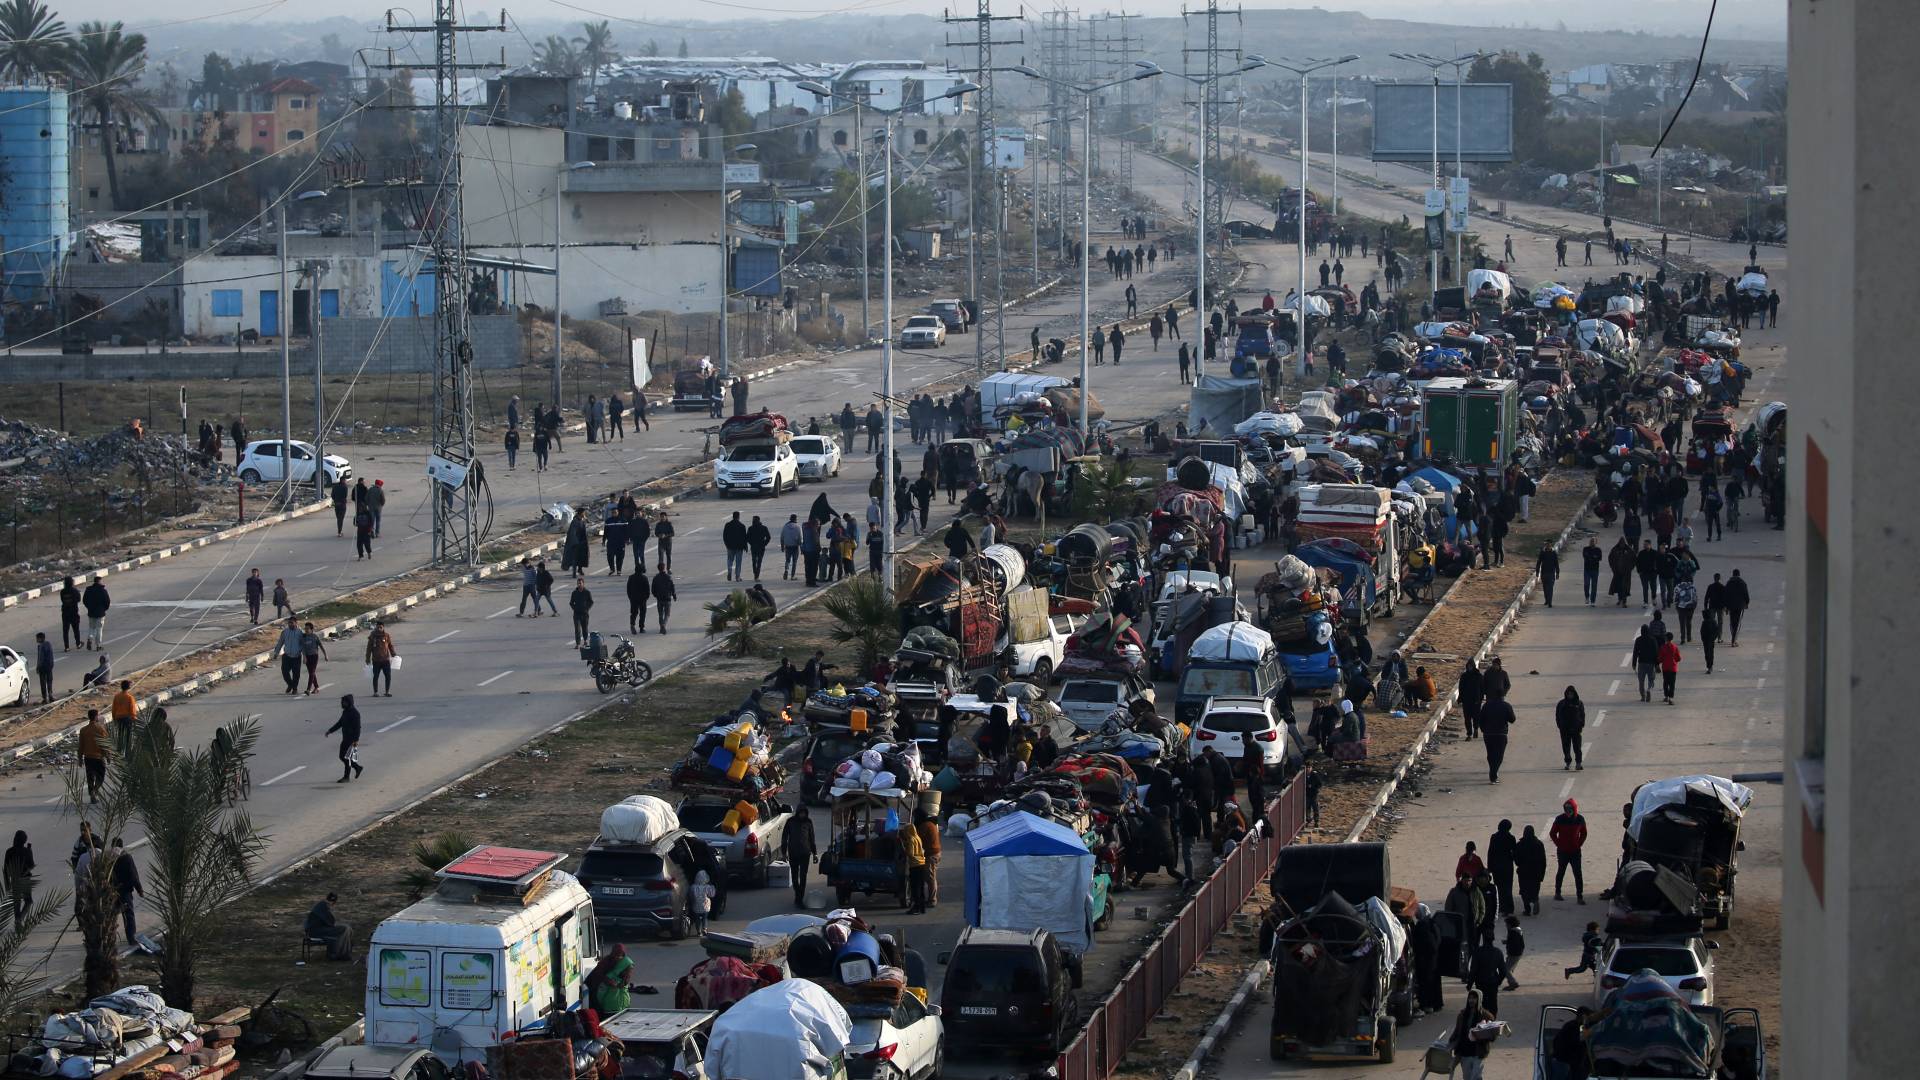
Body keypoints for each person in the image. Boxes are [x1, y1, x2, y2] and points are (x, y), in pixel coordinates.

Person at [1550, 799, 1587, 903]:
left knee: (1578, 873)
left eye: (1570, 809)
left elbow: (1584, 833)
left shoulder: (1580, 819)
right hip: (1563, 851)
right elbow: (1552, 833)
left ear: (1574, 809)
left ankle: (1580, 896)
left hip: (1575, 851)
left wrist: (1579, 844)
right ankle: (1557, 893)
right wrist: (1559, 844)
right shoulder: (1560, 819)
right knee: (1561, 871)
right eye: (1566, 809)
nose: (1568, 811)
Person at [1479, 688, 1515, 784]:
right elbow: (1512, 719)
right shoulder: (1506, 706)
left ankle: (1493, 771)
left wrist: (1483, 730)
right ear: (1503, 696)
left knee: (1490, 754)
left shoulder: (1486, 705)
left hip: (1488, 734)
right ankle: (1493, 774)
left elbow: (1481, 719)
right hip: (1501, 734)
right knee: (1499, 755)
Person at [110, 837, 143, 942]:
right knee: (128, 914)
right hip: (125, 891)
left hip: (111, 891)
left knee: (111, 916)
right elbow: (133, 875)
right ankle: (131, 938)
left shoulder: (108, 857)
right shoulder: (126, 857)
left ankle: (110, 939)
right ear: (121, 846)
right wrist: (139, 889)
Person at [326, 694, 363, 782]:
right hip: (345, 738)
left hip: (351, 739)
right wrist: (330, 731)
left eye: (344, 702)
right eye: (342, 702)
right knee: (342, 757)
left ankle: (347, 777)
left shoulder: (355, 713)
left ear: (349, 702)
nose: (342, 703)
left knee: (345, 757)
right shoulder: (345, 712)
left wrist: (356, 740)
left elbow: (358, 728)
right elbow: (340, 723)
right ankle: (357, 767)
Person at [782, 811, 816, 908]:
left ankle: (799, 899)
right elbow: (784, 837)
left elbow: (812, 838)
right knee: (795, 877)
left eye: (804, 813)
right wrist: (784, 853)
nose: (802, 815)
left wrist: (815, 853)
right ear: (797, 813)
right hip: (793, 853)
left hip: (805, 853)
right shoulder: (790, 821)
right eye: (801, 813)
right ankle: (798, 894)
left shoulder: (808, 822)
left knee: (803, 876)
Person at [304, 892, 352, 961]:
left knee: (347, 928)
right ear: (333, 902)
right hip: (316, 932)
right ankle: (339, 954)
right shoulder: (324, 906)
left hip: (318, 929)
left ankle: (342, 953)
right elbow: (331, 922)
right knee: (345, 928)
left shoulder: (321, 905)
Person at [3, 831, 33, 932]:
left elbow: (6, 869)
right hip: (25, 879)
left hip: (14, 880)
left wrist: (7, 883)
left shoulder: (9, 851)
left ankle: (18, 922)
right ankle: (20, 919)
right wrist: (29, 851)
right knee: (28, 901)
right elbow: (31, 865)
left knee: (17, 902)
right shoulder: (27, 851)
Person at [1515, 825, 1548, 916]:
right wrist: (1542, 874)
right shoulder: (1539, 844)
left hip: (1523, 872)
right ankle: (1535, 900)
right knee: (1534, 889)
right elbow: (1543, 860)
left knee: (1524, 890)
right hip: (1536, 872)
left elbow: (1517, 860)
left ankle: (1527, 909)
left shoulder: (1519, 845)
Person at [1488, 820, 1518, 916]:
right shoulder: (1511, 838)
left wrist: (1489, 867)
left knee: (1499, 887)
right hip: (1507, 866)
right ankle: (1509, 908)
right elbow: (1515, 853)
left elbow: (1490, 852)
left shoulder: (1494, 837)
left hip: (1496, 866)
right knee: (1508, 887)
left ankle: (1501, 906)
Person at [79, 710, 108, 802]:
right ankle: (94, 791)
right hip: (98, 757)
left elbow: (81, 745)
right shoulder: (100, 729)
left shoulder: (83, 730)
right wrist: (108, 756)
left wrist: (80, 758)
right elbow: (104, 744)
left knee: (90, 777)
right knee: (101, 776)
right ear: (96, 717)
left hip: (88, 757)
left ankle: (92, 794)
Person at [1555, 686, 1586, 770]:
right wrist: (1560, 726)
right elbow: (1557, 715)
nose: (1570, 695)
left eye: (1571, 694)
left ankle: (1578, 763)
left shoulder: (1579, 703)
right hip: (1564, 729)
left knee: (1577, 747)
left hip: (1576, 729)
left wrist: (1581, 725)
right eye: (1568, 694)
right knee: (1566, 747)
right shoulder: (1561, 704)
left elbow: (1582, 715)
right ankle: (1568, 762)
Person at [366, 620, 397, 697]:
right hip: (376, 660)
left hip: (385, 660)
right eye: (378, 627)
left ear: (383, 627)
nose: (379, 629)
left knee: (388, 676)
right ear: (376, 627)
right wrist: (367, 658)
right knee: (375, 676)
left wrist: (393, 654)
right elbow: (369, 649)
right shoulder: (372, 636)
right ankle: (375, 692)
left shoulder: (386, 636)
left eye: (381, 627)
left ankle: (387, 691)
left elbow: (390, 645)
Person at [275, 617, 304, 695]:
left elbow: (303, 644)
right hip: (287, 655)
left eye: (292, 623)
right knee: (285, 672)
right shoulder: (285, 632)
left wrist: (304, 656)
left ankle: (295, 688)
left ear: (296, 623)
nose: (290, 624)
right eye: (289, 623)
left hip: (296, 656)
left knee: (296, 674)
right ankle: (290, 684)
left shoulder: (300, 632)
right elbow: (280, 642)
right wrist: (276, 652)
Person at [1632, 624, 1660, 703]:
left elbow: (1635, 653)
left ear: (1641, 631)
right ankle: (1649, 690)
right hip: (1651, 663)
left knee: (1641, 681)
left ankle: (1643, 696)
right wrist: (1657, 664)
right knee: (1651, 680)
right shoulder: (1653, 639)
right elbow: (1656, 653)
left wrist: (1634, 664)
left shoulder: (1638, 640)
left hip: (1641, 663)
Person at [1458, 658, 1485, 740]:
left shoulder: (1479, 676)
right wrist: (1460, 698)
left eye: (1471, 666)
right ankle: (1469, 734)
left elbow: (1482, 689)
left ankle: (1476, 729)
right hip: (1466, 701)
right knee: (1467, 718)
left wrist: (1480, 699)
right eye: (1468, 666)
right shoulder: (1464, 676)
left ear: (1473, 666)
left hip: (1476, 701)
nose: (1469, 668)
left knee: (1476, 717)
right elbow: (1461, 688)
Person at [81, 576, 110, 650]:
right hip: (100, 613)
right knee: (99, 629)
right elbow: (107, 601)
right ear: (99, 581)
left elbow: (84, 600)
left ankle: (90, 639)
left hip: (91, 612)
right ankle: (98, 645)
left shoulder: (88, 590)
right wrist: (104, 609)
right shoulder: (103, 590)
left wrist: (89, 607)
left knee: (92, 628)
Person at [301, 622, 328, 695]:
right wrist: (304, 657)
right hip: (307, 657)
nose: (306, 630)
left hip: (314, 656)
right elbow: (303, 648)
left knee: (312, 672)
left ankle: (308, 689)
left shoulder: (315, 637)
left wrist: (325, 655)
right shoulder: (303, 637)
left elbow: (321, 646)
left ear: (312, 629)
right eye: (305, 629)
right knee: (311, 673)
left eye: (308, 629)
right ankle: (316, 687)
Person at [1724, 568, 1750, 645]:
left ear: (1733, 574)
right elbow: (1746, 595)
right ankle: (1734, 640)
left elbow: (1725, 595)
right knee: (1737, 622)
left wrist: (1725, 605)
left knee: (1732, 621)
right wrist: (1747, 603)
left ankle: (1733, 637)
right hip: (1739, 605)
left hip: (1731, 605)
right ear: (1739, 574)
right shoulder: (1742, 583)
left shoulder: (1729, 583)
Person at [722, 511, 749, 582]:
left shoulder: (727, 525)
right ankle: (737, 576)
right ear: (738, 517)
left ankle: (729, 571)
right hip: (739, 547)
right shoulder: (742, 526)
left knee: (730, 560)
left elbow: (724, 536)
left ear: (733, 516)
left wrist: (726, 545)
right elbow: (744, 538)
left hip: (730, 546)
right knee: (738, 562)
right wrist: (745, 546)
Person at [569, 578, 594, 650]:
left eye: (580, 583)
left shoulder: (587, 592)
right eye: (578, 583)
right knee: (577, 629)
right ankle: (578, 643)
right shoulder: (574, 593)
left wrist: (587, 608)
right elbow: (571, 603)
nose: (579, 585)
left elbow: (591, 602)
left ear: (583, 583)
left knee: (585, 628)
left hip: (585, 614)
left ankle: (585, 640)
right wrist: (574, 608)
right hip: (576, 614)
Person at [651, 563, 676, 633]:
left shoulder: (656, 578)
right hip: (667, 598)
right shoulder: (668, 577)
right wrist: (674, 595)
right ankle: (663, 625)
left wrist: (655, 595)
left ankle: (661, 626)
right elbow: (672, 587)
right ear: (664, 568)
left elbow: (653, 589)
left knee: (660, 614)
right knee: (667, 614)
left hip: (659, 598)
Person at [1502, 914, 1525, 990]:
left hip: (1513, 954)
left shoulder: (1513, 932)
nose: (1506, 926)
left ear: (1510, 924)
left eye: (1506, 924)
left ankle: (1513, 983)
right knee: (1507, 969)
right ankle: (1511, 983)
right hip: (1517, 953)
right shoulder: (1518, 931)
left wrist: (1507, 942)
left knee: (1505, 969)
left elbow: (1514, 943)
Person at [745, 515, 772, 580]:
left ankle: (755, 573)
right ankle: (757, 575)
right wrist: (764, 544)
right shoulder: (764, 528)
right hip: (761, 547)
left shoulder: (750, 528)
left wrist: (751, 543)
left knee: (754, 561)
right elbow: (768, 537)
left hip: (754, 546)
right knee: (759, 561)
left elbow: (747, 538)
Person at [1658, 632, 1682, 704]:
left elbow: (1660, 659)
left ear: (1666, 638)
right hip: (1673, 668)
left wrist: (1659, 662)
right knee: (1672, 683)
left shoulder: (1663, 647)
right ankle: (1671, 698)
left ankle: (1666, 696)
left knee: (1665, 682)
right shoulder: (1675, 647)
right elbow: (1679, 658)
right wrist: (1674, 661)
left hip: (1665, 668)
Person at [59, 576, 81, 651]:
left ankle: (66, 647)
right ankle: (78, 644)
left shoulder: (62, 592)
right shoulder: (75, 591)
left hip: (65, 612)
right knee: (76, 629)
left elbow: (62, 600)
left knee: (65, 631)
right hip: (74, 612)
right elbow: (79, 599)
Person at [1699, 603, 1721, 674]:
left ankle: (1709, 666)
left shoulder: (1705, 622)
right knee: (1710, 653)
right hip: (1710, 641)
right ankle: (1710, 666)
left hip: (1707, 641)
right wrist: (1714, 638)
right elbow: (1717, 631)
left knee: (1707, 653)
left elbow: (1702, 632)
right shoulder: (1713, 622)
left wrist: (1703, 639)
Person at [1536, 542, 1560, 607]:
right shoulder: (1542, 553)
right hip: (1544, 573)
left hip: (1551, 573)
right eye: (1547, 545)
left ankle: (1550, 602)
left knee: (1550, 588)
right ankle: (1547, 600)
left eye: (1549, 545)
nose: (1548, 546)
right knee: (1545, 588)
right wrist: (1537, 572)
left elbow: (1556, 563)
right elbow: (1538, 563)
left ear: (1551, 546)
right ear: (1545, 546)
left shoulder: (1554, 553)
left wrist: (1557, 573)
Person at [1581, 538, 1603, 606]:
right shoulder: (1585, 549)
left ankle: (1593, 601)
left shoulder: (1598, 550)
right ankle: (1587, 597)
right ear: (1589, 542)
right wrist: (1594, 557)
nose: (1592, 542)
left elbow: (1600, 558)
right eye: (1591, 541)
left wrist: (1591, 557)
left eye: (1593, 541)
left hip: (1595, 570)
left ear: (1596, 542)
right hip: (1587, 570)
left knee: (1594, 586)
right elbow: (1585, 556)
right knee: (1586, 584)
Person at [32, 633, 53, 704]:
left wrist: (38, 667)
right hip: (49, 666)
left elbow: (40, 658)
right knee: (49, 681)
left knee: (43, 683)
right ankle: (50, 695)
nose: (36, 640)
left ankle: (45, 698)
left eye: (37, 638)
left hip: (43, 667)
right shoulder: (49, 644)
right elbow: (51, 656)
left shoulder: (41, 646)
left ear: (40, 638)